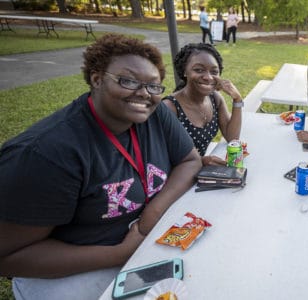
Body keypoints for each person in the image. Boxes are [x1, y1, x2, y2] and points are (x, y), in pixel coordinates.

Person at [0, 33, 202, 299]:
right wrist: (119, 253)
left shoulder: (154, 113)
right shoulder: (47, 153)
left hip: (145, 241)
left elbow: (190, 160)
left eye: (154, 86)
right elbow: (8, 256)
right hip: (75, 269)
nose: (143, 93)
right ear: (96, 79)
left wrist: (150, 217)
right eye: (128, 81)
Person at [162, 43, 243, 166]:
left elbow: (231, 136)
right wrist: (201, 161)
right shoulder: (170, 108)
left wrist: (237, 99)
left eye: (214, 71)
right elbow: (162, 156)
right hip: (176, 176)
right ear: (185, 71)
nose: (208, 77)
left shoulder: (215, 99)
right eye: (199, 70)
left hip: (200, 172)